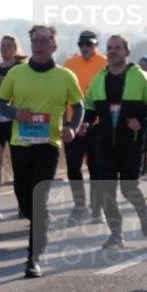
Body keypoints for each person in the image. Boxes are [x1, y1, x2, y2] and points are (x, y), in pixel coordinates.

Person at [0, 24, 83, 277]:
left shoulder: (66, 76)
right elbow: (0, 104)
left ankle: (33, 259)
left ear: (54, 45)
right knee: (23, 196)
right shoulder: (16, 73)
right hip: (20, 143)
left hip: (49, 145)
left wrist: (73, 128)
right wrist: (16, 113)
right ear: (31, 44)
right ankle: (41, 222)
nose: (40, 45)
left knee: (37, 197)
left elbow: (79, 107)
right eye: (35, 41)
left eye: (45, 41)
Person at [82, 35, 147, 249]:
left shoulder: (139, 76)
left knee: (129, 188)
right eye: (110, 48)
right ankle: (116, 233)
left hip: (131, 143)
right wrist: (85, 123)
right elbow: (89, 106)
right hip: (105, 143)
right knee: (106, 189)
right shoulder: (100, 78)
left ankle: (144, 216)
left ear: (127, 52)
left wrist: (142, 121)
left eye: (118, 48)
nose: (113, 51)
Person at [61, 31, 107, 222]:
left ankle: (97, 208)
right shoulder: (69, 65)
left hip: (97, 124)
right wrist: (64, 121)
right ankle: (80, 205)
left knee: (96, 167)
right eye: (82, 44)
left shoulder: (105, 63)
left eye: (89, 43)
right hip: (73, 123)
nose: (85, 47)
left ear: (96, 44)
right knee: (73, 166)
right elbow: (62, 93)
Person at [0, 35, 27, 220]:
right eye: (2, 45)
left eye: (9, 46)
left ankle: (23, 204)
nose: (5, 49)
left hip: (15, 121)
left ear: (16, 48)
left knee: (19, 164)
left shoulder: (20, 69)